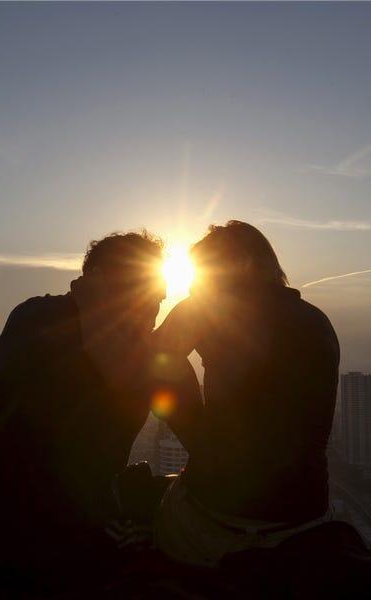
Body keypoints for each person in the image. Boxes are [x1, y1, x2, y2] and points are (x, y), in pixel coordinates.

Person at [0, 230, 201, 591]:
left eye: (155, 299)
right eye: (138, 293)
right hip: (47, 540)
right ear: (96, 282)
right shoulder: (135, 356)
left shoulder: (29, 314)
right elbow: (205, 446)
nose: (151, 311)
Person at [152, 220, 340, 567]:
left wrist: (203, 445)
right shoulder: (317, 321)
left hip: (221, 526)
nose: (197, 285)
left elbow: (152, 360)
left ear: (241, 266)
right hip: (307, 521)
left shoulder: (212, 311)